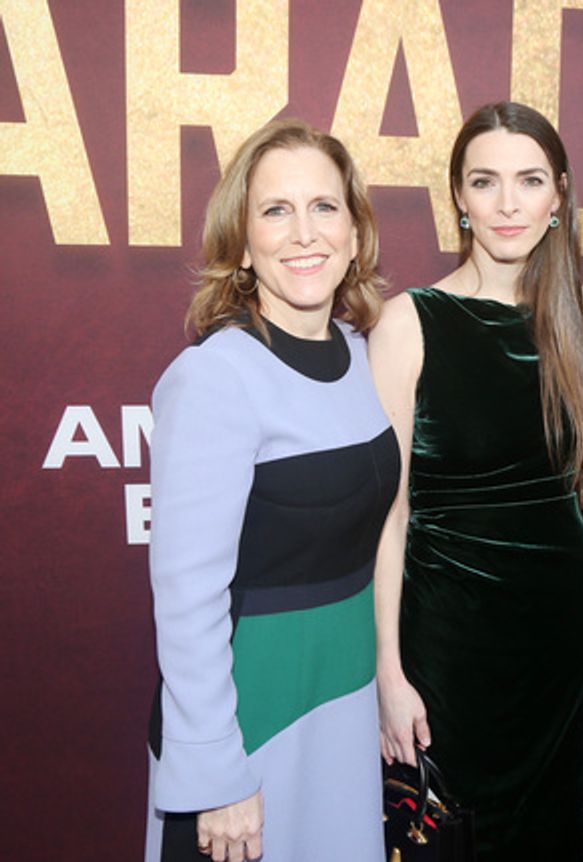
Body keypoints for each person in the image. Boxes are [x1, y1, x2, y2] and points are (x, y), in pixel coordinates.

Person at [144, 119, 397, 862]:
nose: (303, 233)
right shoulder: (214, 377)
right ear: (244, 242)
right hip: (252, 723)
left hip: (343, 711)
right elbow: (187, 599)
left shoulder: (358, 356)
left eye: (324, 207)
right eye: (275, 210)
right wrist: (215, 772)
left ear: (354, 234)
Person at [369, 101, 583, 861]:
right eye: (486, 181)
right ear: (459, 200)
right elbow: (387, 515)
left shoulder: (569, 322)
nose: (508, 204)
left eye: (530, 180)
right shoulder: (410, 321)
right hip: (449, 643)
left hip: (561, 644)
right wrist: (388, 673)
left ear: (558, 197)